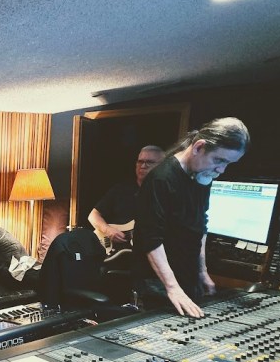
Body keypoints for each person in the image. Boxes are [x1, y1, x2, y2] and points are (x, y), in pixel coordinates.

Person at [132, 118, 250, 318]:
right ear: (198, 147)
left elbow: (199, 225)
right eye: (219, 160)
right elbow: (151, 239)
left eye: (228, 163)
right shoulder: (161, 179)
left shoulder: (203, 175)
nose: (221, 170)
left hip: (187, 276)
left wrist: (202, 271)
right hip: (159, 282)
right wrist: (172, 287)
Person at [87, 145, 166, 249]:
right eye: (140, 162)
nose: (143, 166)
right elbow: (93, 215)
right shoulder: (121, 189)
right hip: (115, 252)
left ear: (162, 166)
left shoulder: (165, 194)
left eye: (149, 162)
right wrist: (107, 230)